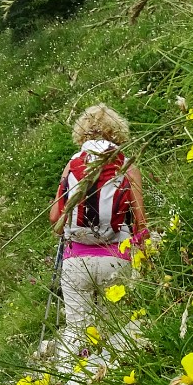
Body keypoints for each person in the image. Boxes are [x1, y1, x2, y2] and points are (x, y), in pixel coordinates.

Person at [48, 104, 148, 364]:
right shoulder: (126, 164)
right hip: (116, 258)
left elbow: (54, 218)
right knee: (115, 331)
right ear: (116, 131)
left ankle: (74, 383)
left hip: (75, 261)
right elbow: (140, 223)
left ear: (82, 132)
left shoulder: (72, 165)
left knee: (76, 331)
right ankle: (109, 378)